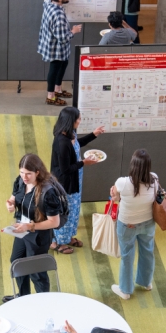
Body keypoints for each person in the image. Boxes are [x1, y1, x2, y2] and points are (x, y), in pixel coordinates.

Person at [3, 154, 63, 302]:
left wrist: (30, 226)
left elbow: (54, 222)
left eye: (28, 173)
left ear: (37, 172)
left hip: (38, 235)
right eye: (21, 172)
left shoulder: (48, 192)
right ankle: (23, 298)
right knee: (16, 261)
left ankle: (44, 303)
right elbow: (13, 197)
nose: (24, 177)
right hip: (21, 230)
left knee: (36, 272)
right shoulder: (21, 181)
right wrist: (10, 204)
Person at [50, 107, 104, 254]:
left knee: (74, 210)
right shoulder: (62, 142)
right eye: (78, 119)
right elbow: (65, 169)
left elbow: (77, 144)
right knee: (65, 211)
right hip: (64, 184)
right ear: (70, 121)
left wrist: (94, 134)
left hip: (74, 180)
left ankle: (67, 237)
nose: (80, 121)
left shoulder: (70, 134)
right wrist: (84, 163)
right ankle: (57, 242)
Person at [109, 149, 157, 300]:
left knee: (127, 255)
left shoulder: (122, 182)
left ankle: (125, 290)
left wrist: (114, 194)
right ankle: (146, 282)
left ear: (133, 165)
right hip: (148, 222)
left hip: (127, 224)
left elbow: (115, 198)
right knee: (147, 252)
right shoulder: (154, 178)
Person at [38, 0, 82, 107]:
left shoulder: (49, 5)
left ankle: (58, 89)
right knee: (55, 69)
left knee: (62, 65)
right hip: (57, 48)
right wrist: (73, 31)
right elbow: (63, 38)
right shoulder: (58, 15)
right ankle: (51, 96)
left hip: (52, 45)